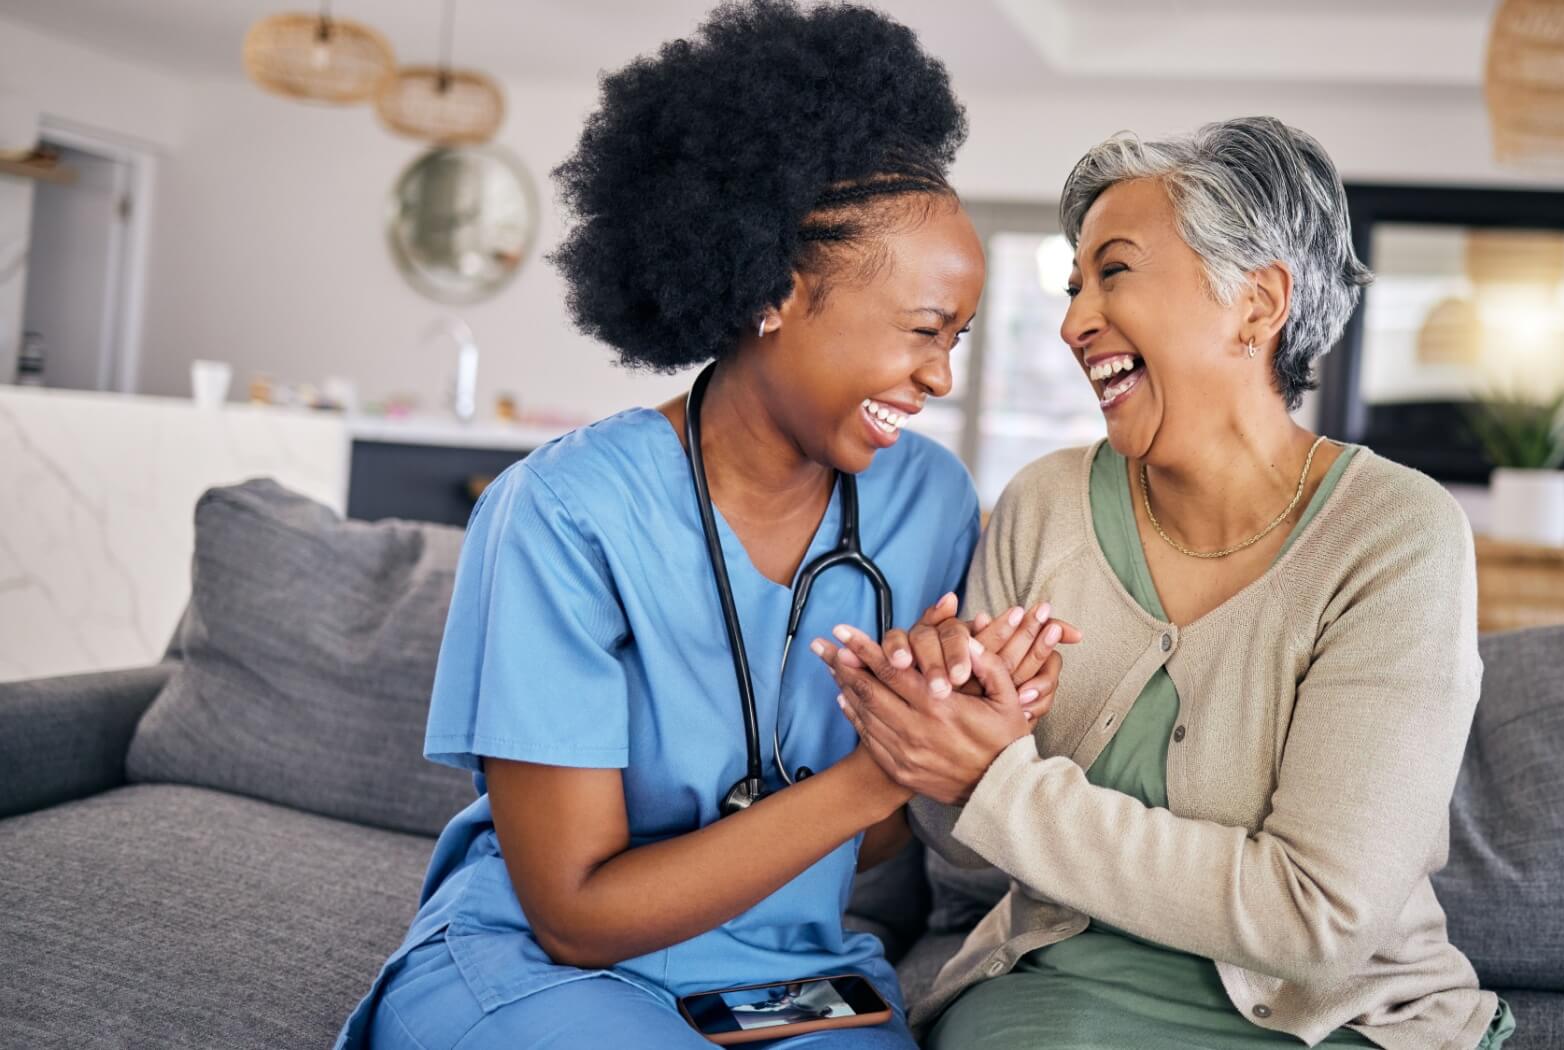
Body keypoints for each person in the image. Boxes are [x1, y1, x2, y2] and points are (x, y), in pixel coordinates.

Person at [332, 3, 1071, 1048]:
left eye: (954, 339)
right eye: (920, 331)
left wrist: (943, 721)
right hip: (552, 968)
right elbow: (576, 915)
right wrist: (879, 768)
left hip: (791, 974)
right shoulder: (562, 512)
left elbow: (871, 863)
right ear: (774, 289)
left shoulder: (926, 502)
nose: (939, 378)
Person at [819, 117, 1516, 1048]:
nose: (1072, 322)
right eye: (1073, 286)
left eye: (1114, 272)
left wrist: (997, 775)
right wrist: (941, 722)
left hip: (1333, 1022)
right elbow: (964, 845)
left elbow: (1318, 920)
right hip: (1051, 994)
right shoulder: (1045, 505)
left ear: (1258, 303)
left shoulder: (1394, 537)